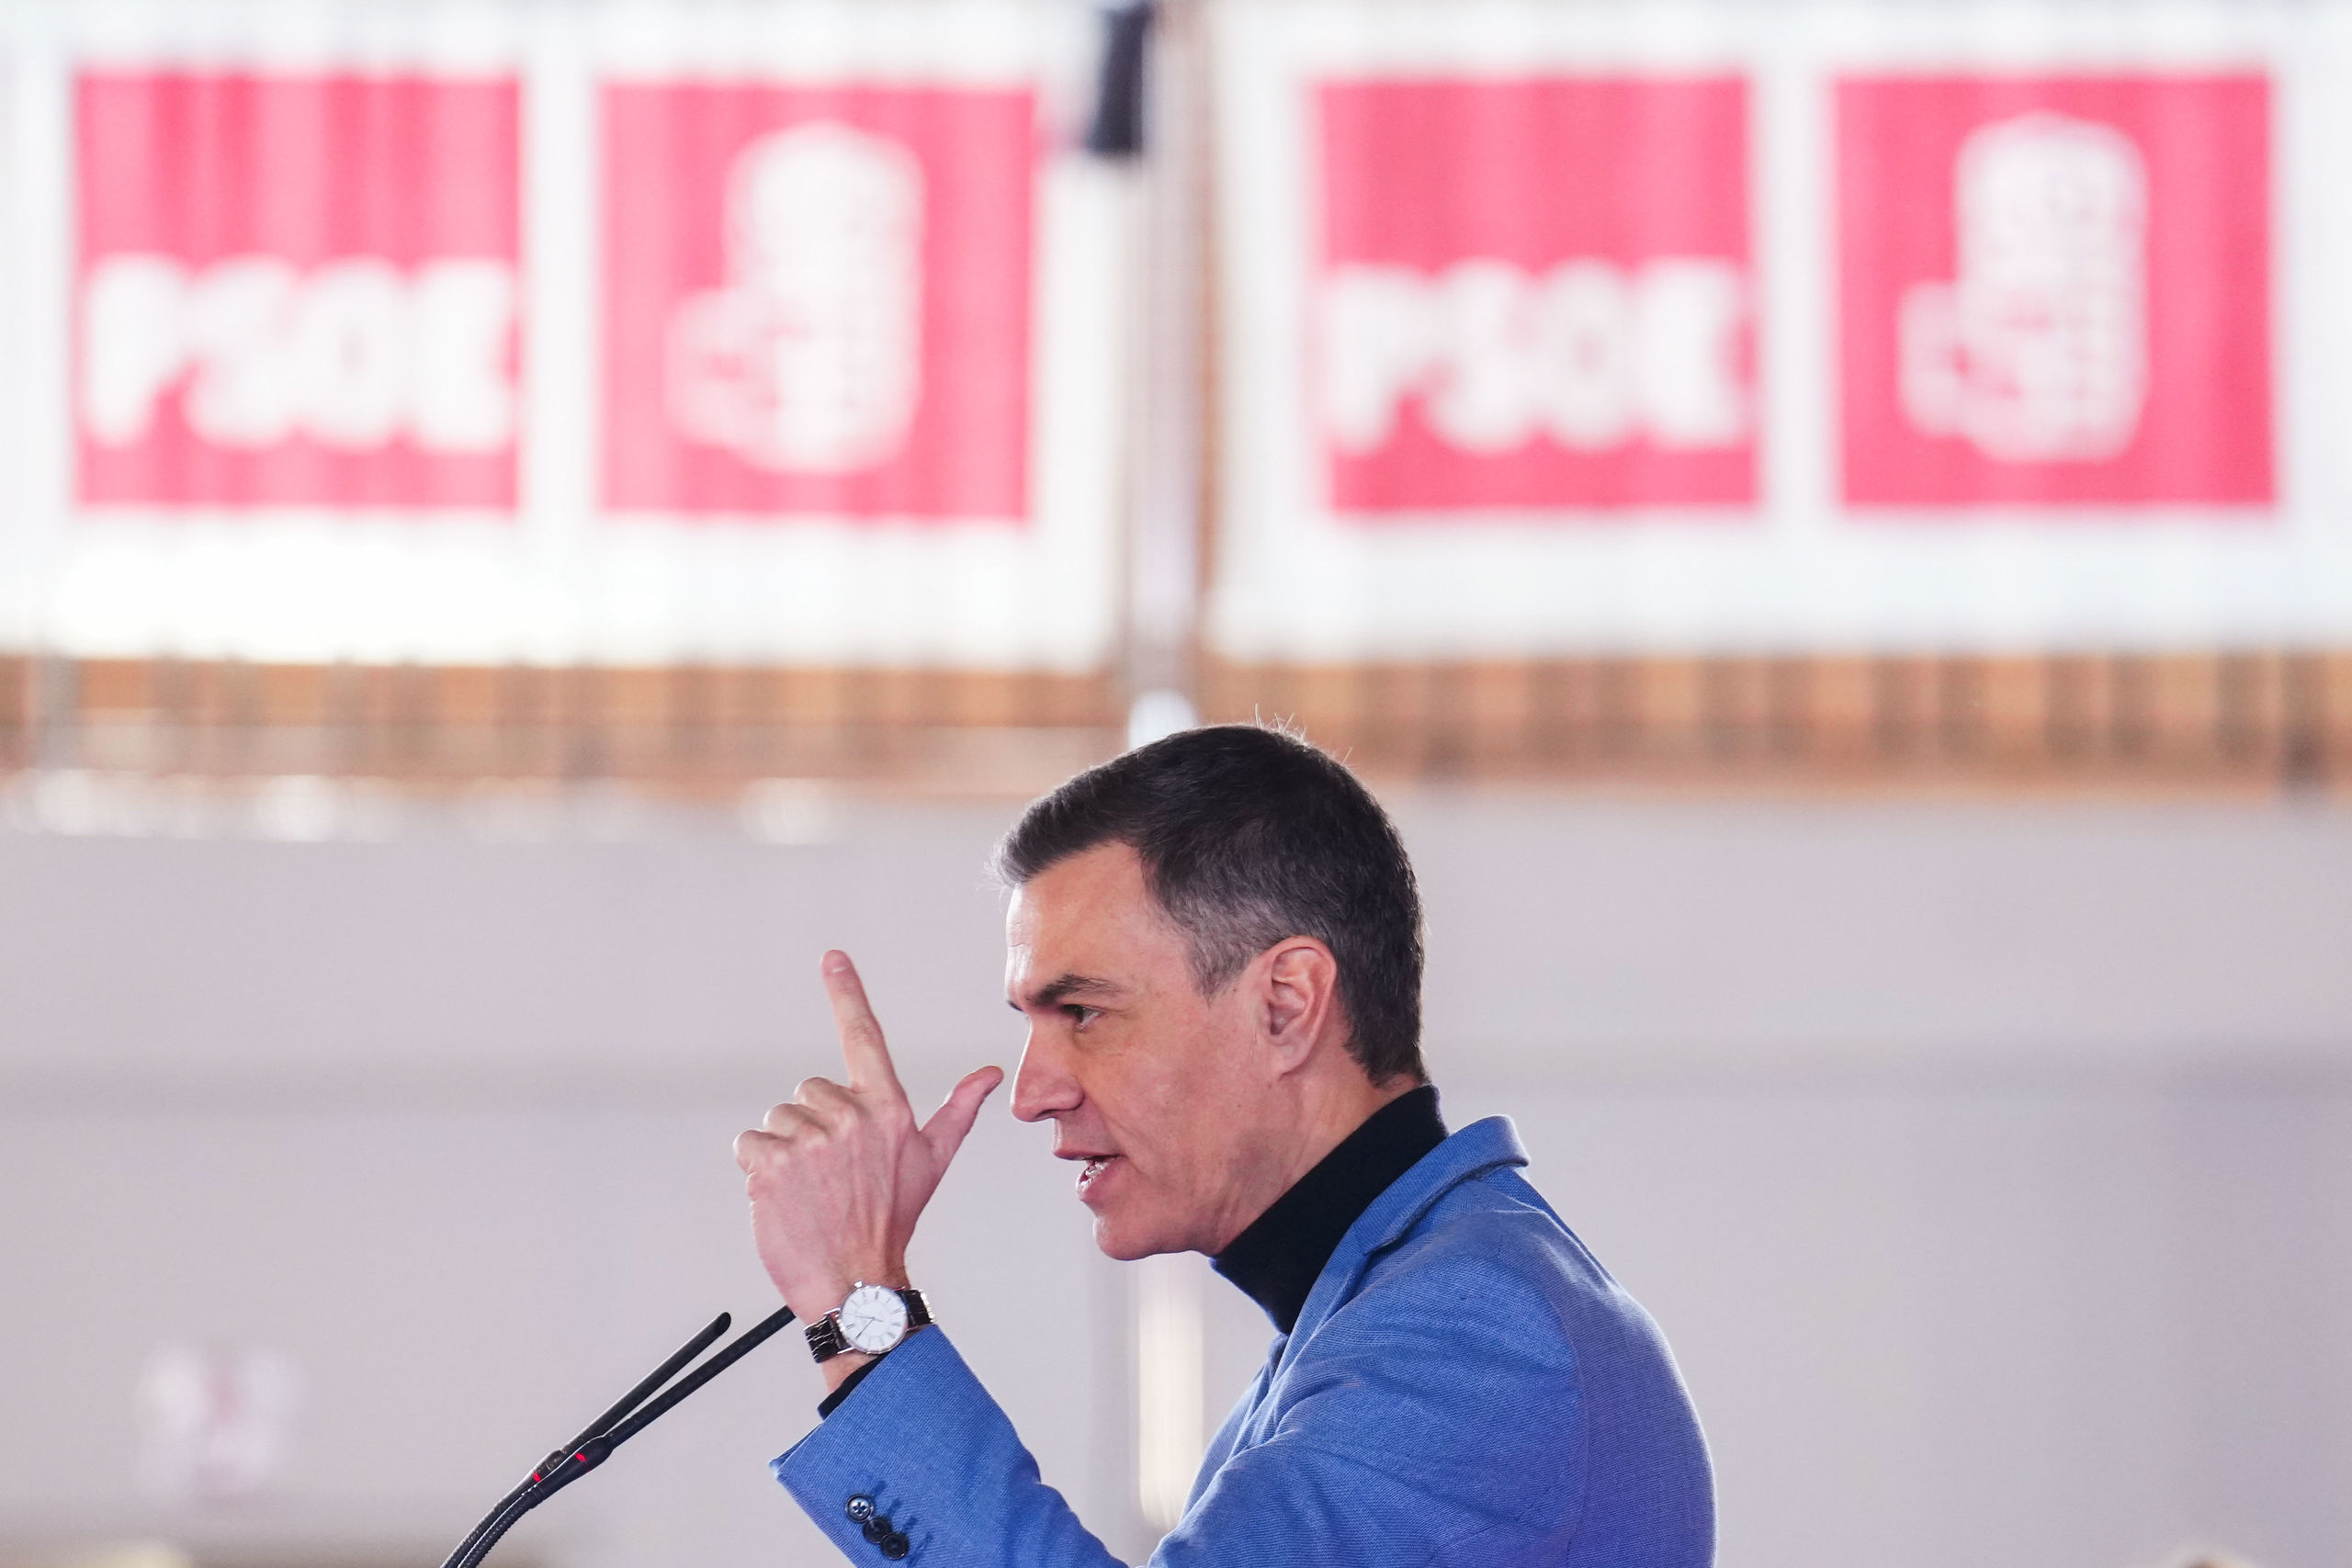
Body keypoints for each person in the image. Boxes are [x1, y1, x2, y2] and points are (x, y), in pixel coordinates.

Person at [733, 724, 1713, 1568]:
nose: (1031, 1094)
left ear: (1285, 1004)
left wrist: (860, 1303)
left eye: (1083, 1012)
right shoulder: (1391, 1308)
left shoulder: (1475, 1337)